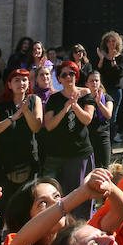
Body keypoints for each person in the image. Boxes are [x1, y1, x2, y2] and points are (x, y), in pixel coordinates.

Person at [0, 68, 43, 201]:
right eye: (17, 80)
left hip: (28, 161)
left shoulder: (35, 100)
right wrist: (13, 118)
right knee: (1, 204)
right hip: (4, 163)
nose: (21, 83)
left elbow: (36, 127)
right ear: (9, 84)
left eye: (24, 80)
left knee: (27, 203)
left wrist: (26, 111)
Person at [42, 61, 95, 192]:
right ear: (59, 79)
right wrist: (65, 108)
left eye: (71, 73)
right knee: (56, 193)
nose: (68, 77)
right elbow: (49, 125)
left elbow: (87, 119)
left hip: (79, 152)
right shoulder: (54, 99)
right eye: (64, 75)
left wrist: (75, 105)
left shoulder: (85, 93)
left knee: (79, 194)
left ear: (76, 75)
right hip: (57, 153)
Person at [96, 32, 123, 143]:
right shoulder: (103, 58)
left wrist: (113, 61)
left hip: (115, 90)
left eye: (113, 41)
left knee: (112, 117)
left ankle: (110, 141)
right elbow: (98, 73)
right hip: (104, 90)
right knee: (102, 115)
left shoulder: (121, 58)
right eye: (109, 41)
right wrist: (101, 60)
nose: (111, 43)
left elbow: (120, 74)